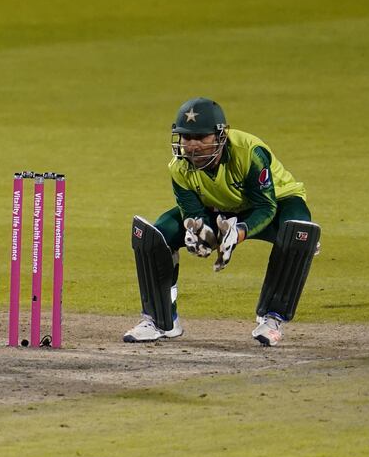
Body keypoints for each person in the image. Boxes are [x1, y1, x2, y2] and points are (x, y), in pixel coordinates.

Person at [124, 97, 320, 347]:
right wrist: (201, 231)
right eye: (186, 137)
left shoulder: (249, 152)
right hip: (220, 206)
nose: (192, 146)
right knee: (156, 235)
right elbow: (193, 211)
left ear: (220, 136)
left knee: (298, 232)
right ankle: (160, 320)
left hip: (276, 202)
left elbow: (265, 206)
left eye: (201, 137)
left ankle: (272, 319)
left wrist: (238, 233)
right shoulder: (179, 168)